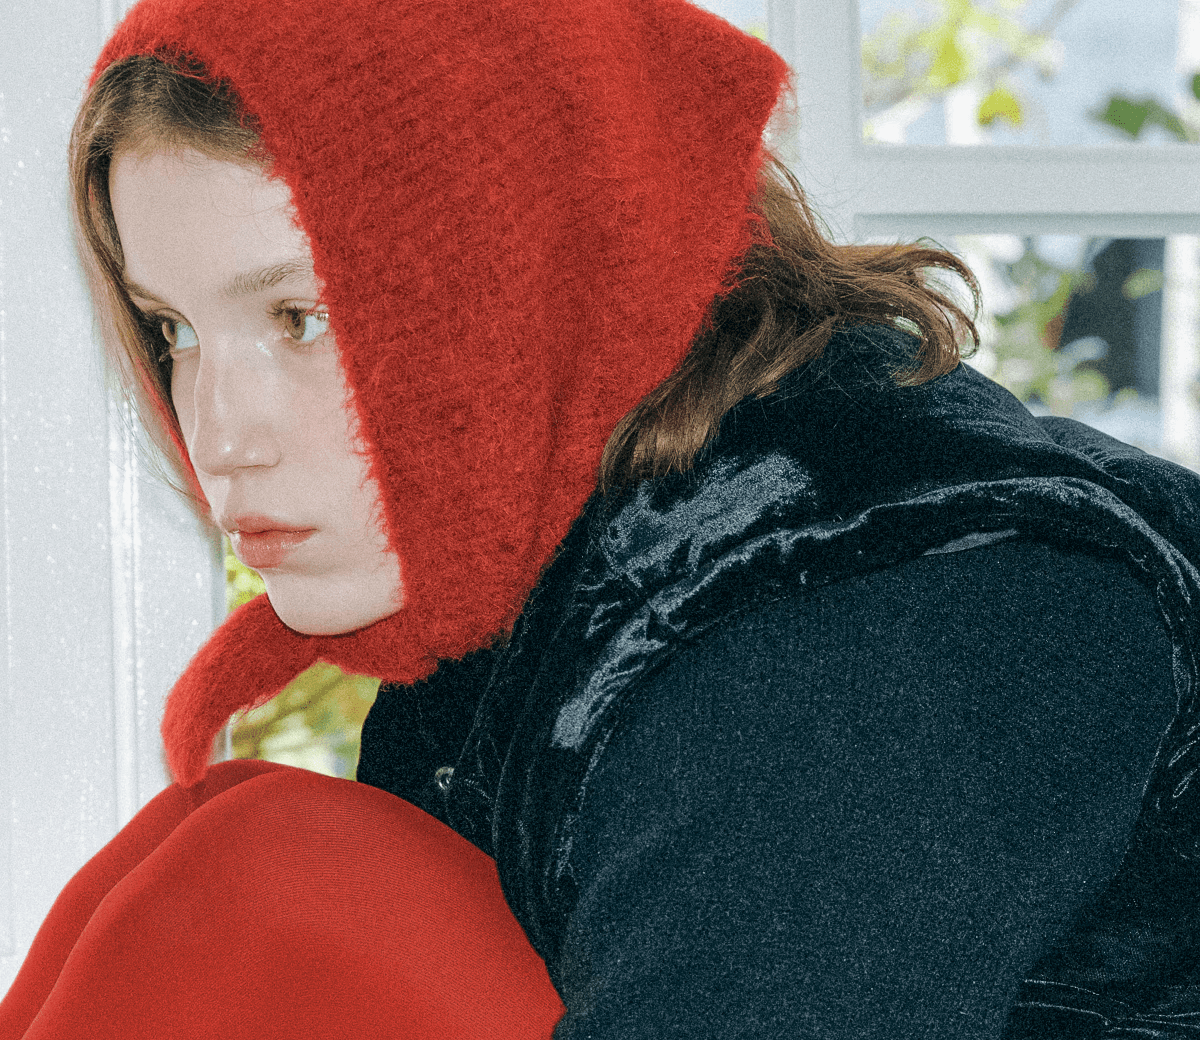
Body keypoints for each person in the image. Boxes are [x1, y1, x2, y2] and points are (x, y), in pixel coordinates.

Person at [2, 0, 1200, 1036]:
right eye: (175, 330)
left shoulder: (864, 624)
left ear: (533, 265)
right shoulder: (555, 574)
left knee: (269, 865)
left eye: (298, 318)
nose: (220, 433)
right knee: (221, 845)